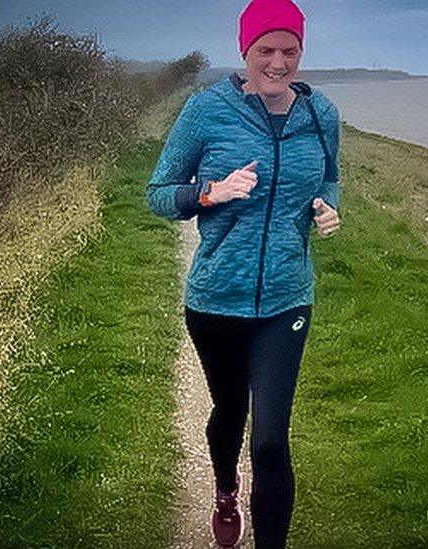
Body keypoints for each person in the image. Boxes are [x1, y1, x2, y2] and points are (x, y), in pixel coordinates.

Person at [146, 0, 341, 546]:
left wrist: (327, 207)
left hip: (287, 299)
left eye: (290, 51)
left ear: (301, 52)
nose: (278, 63)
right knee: (230, 410)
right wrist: (210, 193)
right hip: (215, 300)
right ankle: (226, 488)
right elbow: (158, 194)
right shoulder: (206, 111)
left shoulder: (321, 115)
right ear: (245, 52)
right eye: (266, 50)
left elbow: (330, 179)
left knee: (271, 443)